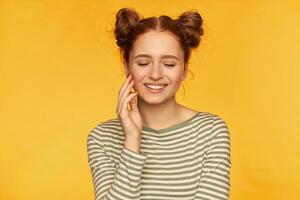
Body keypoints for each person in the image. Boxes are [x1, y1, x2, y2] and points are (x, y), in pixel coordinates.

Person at [87, 7, 231, 200]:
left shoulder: (210, 132)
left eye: (169, 64)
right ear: (126, 66)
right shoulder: (102, 138)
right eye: (143, 63)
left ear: (184, 69)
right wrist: (132, 140)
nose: (155, 74)